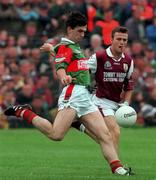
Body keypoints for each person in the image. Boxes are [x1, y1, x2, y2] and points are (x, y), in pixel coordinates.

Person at [4, 12, 133, 176]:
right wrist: (63, 76)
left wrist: (52, 48)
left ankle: (119, 170)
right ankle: (23, 111)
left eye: (85, 31)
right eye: (80, 31)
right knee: (56, 134)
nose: (83, 34)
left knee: (105, 135)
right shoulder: (66, 47)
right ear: (70, 29)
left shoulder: (71, 47)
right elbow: (60, 67)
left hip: (85, 97)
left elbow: (61, 56)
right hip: (73, 94)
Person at [41, 26, 134, 154]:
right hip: (100, 100)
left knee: (102, 138)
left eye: (125, 40)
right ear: (111, 39)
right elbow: (78, 66)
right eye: (119, 39)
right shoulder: (100, 57)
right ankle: (119, 168)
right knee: (114, 132)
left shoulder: (128, 61)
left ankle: (81, 126)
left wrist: (126, 103)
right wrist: (53, 51)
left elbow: (129, 85)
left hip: (116, 103)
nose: (122, 42)